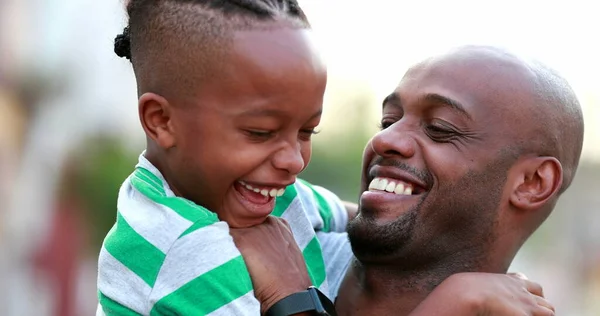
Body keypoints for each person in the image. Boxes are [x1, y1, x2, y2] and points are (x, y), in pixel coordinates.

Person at [96, 0, 556, 314]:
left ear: (533, 183)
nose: (294, 161)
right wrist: (451, 302)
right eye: (260, 132)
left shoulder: (264, 191)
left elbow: (348, 214)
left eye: (306, 131)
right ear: (161, 121)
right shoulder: (180, 249)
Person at [233, 45, 583, 316]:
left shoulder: (279, 277)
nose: (385, 141)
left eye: (440, 129)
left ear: (532, 182)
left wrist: (292, 300)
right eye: (388, 121)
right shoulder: (256, 238)